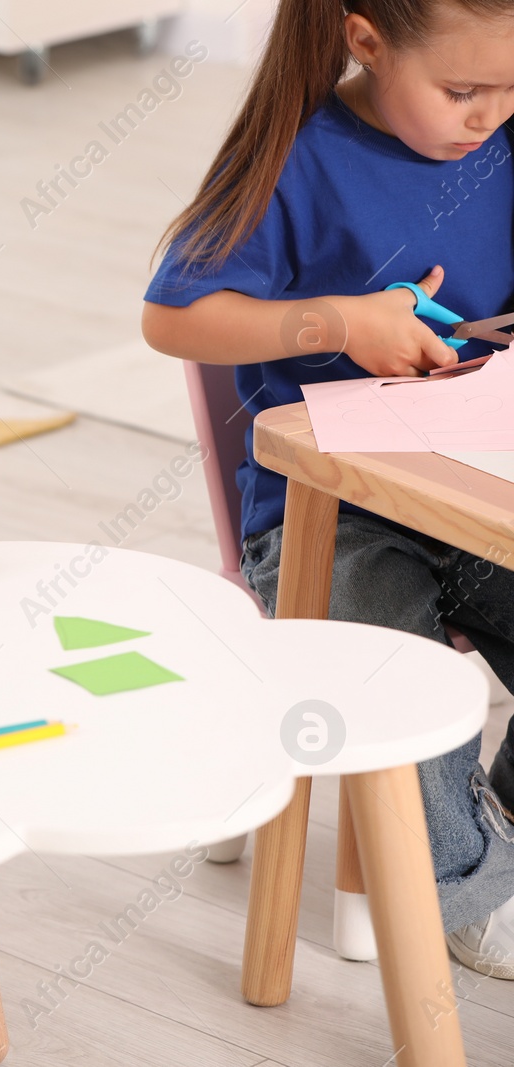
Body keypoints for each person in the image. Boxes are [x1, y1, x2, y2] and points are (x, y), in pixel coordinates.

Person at [142, 0, 514, 978]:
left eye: (511, 86)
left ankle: (494, 834)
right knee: (398, 663)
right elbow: (174, 318)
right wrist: (339, 324)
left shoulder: (502, 138)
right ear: (364, 41)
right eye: (462, 90)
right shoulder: (299, 155)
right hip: (323, 513)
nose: (489, 115)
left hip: (469, 488)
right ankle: (464, 889)